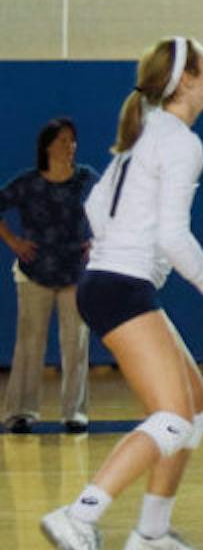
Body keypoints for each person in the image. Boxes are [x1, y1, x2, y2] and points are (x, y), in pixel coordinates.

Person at [40, 37, 203, 550]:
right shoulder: (178, 142)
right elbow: (174, 235)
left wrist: (112, 250)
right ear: (185, 82)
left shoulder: (146, 133)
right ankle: (80, 516)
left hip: (111, 281)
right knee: (172, 416)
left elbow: (92, 207)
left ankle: (151, 536)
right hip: (120, 286)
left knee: (195, 408)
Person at [2, 118, 99, 433]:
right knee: (29, 343)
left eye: (73, 140)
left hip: (75, 271)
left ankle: (75, 413)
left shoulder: (86, 179)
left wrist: (97, 240)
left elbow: (112, 209)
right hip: (35, 271)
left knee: (76, 343)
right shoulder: (28, 182)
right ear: (47, 146)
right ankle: (20, 411)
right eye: (62, 141)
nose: (69, 146)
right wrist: (14, 242)